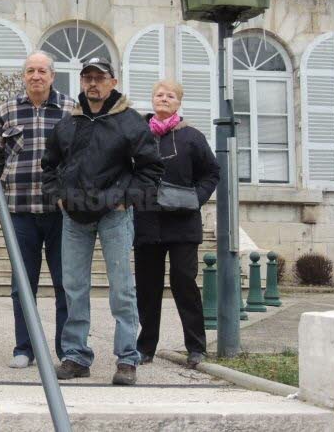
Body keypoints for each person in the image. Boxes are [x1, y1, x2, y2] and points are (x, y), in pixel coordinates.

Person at [41, 57, 163, 385]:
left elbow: (151, 169)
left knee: (121, 289)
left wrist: (128, 199)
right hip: (74, 216)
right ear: (82, 83)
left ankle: (127, 359)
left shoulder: (131, 122)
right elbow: (49, 165)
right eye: (87, 78)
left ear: (113, 82)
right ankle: (76, 357)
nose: (93, 84)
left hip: (114, 215)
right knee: (74, 288)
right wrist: (60, 195)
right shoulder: (69, 123)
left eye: (99, 78)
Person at [0, 51, 75, 369]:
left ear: (53, 76)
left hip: (60, 212)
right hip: (20, 210)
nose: (36, 76)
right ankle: (24, 348)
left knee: (65, 284)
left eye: (42, 71)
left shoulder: (70, 110)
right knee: (22, 285)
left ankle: (67, 350)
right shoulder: (7, 111)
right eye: (30, 71)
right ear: (23, 76)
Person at [134, 79, 220, 369]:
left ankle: (196, 347)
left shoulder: (192, 137)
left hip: (183, 223)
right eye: (159, 94)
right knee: (147, 287)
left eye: (170, 96)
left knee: (184, 283)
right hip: (147, 221)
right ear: (152, 99)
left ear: (178, 102)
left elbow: (211, 172)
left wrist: (197, 196)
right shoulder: (138, 135)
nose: (164, 99)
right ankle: (145, 347)